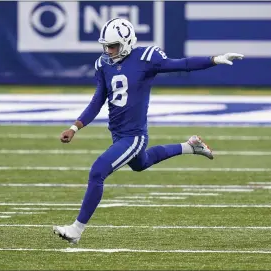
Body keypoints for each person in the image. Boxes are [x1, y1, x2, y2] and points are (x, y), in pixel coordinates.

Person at [53, 18, 243, 244]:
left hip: (134, 135)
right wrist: (75, 127)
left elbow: (181, 64)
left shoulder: (146, 58)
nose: (108, 50)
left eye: (113, 46)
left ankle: (76, 230)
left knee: (97, 172)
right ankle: (190, 146)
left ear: (126, 42)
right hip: (117, 132)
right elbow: (97, 101)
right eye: (106, 45)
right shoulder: (103, 64)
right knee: (140, 163)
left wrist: (213, 60)